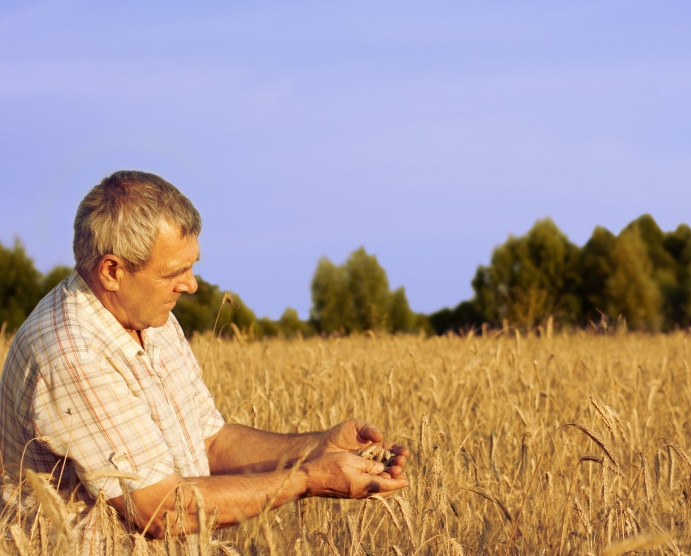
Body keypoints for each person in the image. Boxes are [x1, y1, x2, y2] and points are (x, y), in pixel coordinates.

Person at [0, 170, 409, 541]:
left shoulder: (147, 314)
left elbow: (209, 441)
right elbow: (162, 511)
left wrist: (320, 447)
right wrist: (306, 479)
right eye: (173, 273)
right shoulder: (74, 353)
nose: (191, 286)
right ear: (112, 271)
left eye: (190, 267)